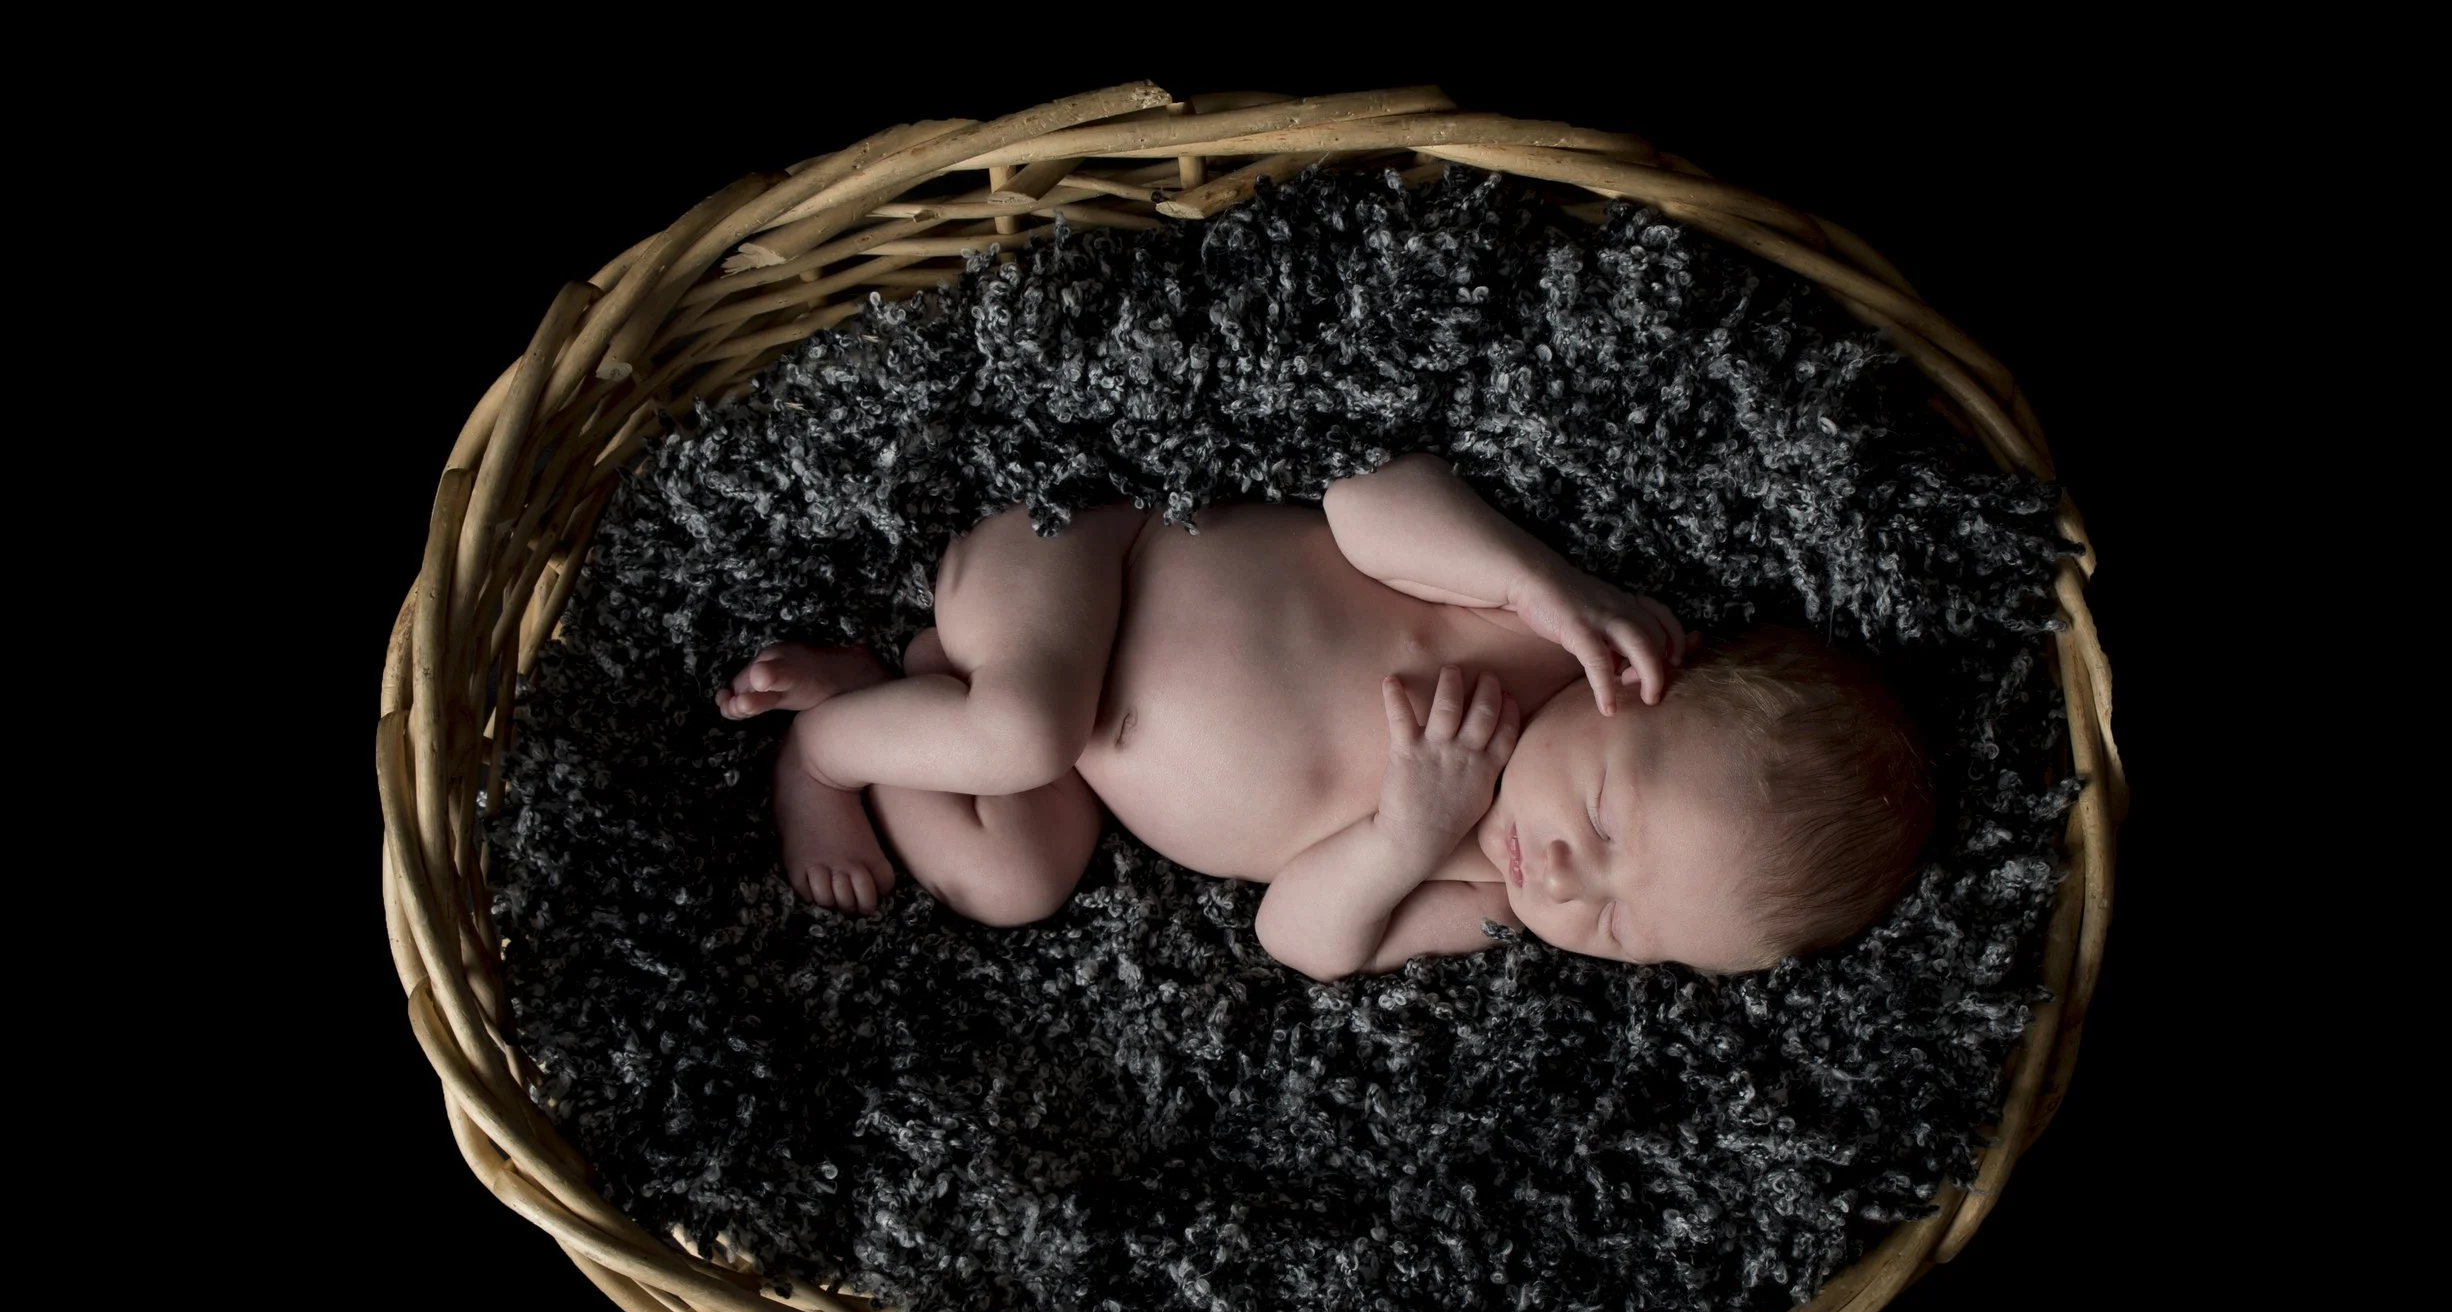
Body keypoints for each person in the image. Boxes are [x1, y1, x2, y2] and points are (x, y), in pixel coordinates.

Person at [717, 452, 1932, 979]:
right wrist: (1532, 577)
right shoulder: (1532, 638)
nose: (1567, 881)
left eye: (1620, 930)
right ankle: (824, 754)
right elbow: (1364, 498)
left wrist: (1406, 834)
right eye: (1607, 815)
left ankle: (880, 702)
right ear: (1648, 678)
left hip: (1077, 763)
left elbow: (1300, 939)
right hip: (1090, 550)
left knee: (1013, 882)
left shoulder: (1484, 891)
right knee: (1020, 731)